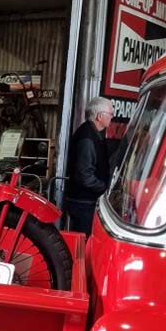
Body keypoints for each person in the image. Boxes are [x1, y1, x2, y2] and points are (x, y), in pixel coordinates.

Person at [63, 96, 114, 234]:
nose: (112, 117)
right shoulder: (87, 138)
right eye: (110, 114)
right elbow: (84, 175)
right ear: (99, 116)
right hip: (83, 202)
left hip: (84, 201)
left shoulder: (91, 134)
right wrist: (104, 188)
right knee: (83, 239)